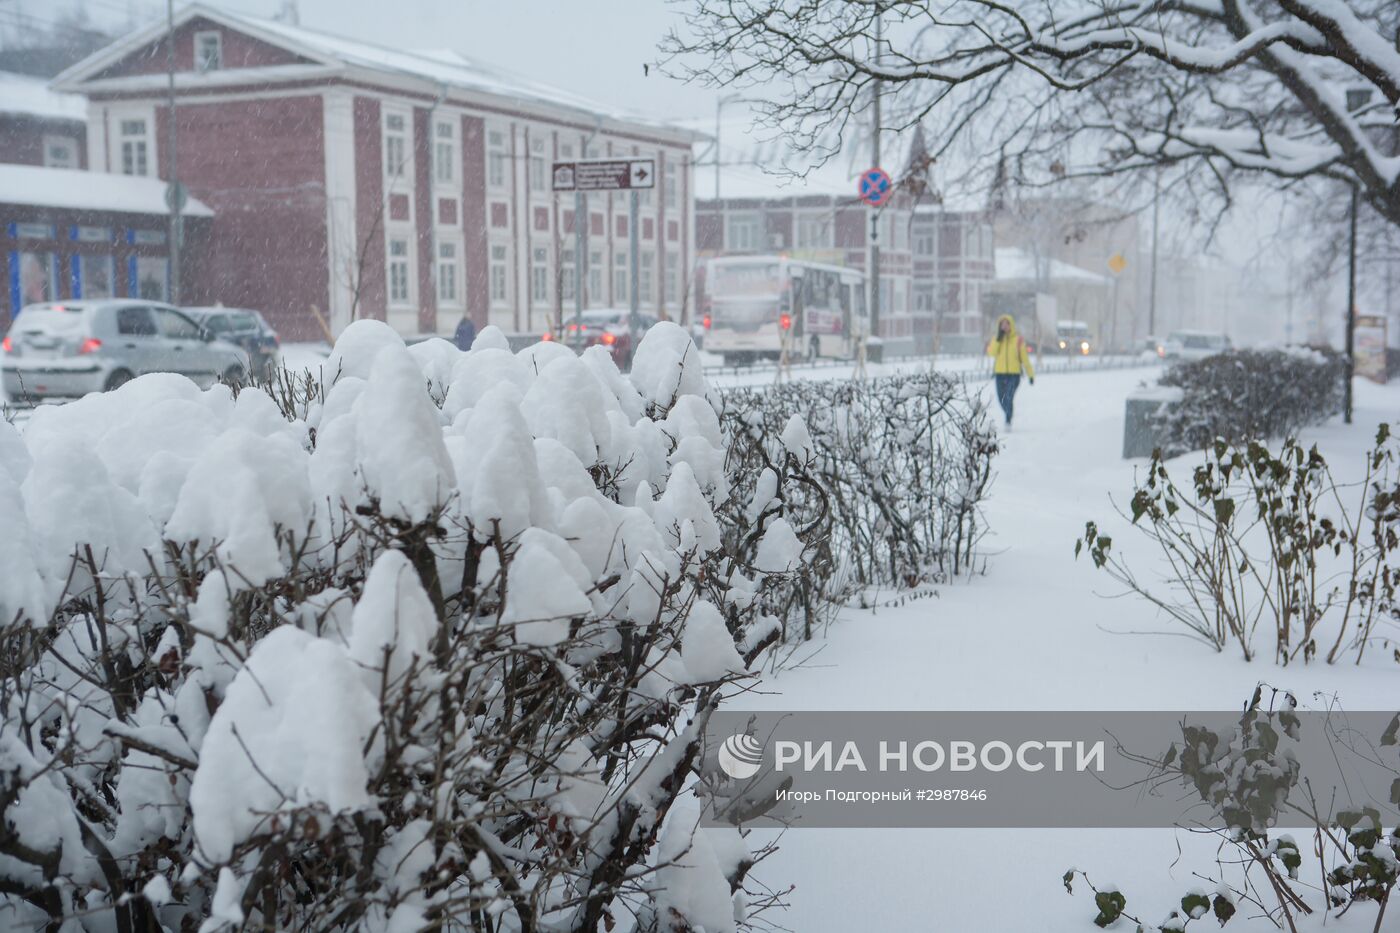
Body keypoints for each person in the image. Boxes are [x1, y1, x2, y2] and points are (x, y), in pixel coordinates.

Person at [986, 314, 1034, 427]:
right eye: (1002, 324)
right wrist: (998, 339)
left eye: (1006, 323)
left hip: (1014, 375)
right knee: (1001, 399)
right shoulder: (997, 338)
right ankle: (1009, 414)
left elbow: (1025, 359)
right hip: (999, 374)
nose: (1004, 326)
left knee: (1008, 396)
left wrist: (1030, 375)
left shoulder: (1018, 340)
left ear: (1011, 325)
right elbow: (992, 353)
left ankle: (1008, 419)